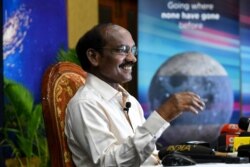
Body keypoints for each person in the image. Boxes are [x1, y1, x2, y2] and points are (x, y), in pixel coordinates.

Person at [65, 23, 205, 167]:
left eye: (133, 50)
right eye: (123, 50)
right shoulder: (85, 104)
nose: (132, 58)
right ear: (94, 57)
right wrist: (162, 115)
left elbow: (147, 156)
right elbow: (109, 163)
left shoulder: (130, 101)